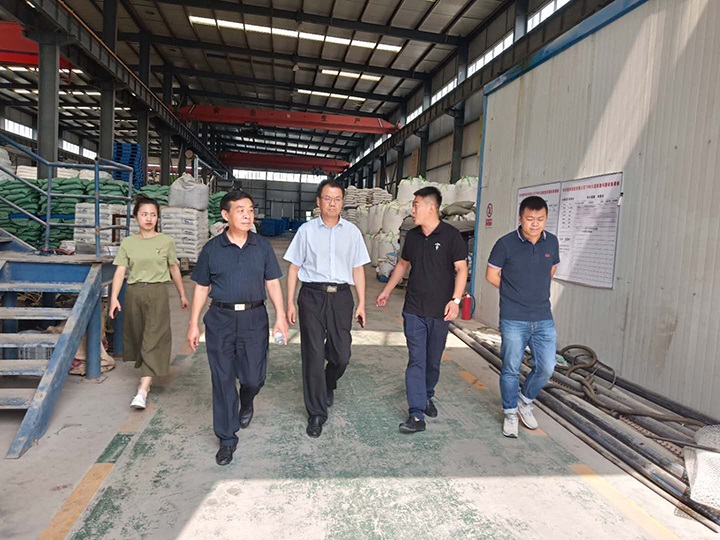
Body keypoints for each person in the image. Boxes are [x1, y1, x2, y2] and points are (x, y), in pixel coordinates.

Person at [187, 191, 288, 466]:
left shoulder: (262, 246)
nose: (247, 215)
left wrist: (280, 316)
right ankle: (227, 438)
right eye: (241, 210)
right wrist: (193, 323)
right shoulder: (212, 249)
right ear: (225, 215)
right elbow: (201, 287)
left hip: (254, 319)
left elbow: (272, 282)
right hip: (220, 319)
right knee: (222, 379)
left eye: (251, 210)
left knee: (253, 378)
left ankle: (247, 399)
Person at [376, 186, 468, 434]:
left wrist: (455, 301)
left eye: (416, 205)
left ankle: (427, 394)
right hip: (414, 309)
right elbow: (402, 264)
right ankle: (416, 413)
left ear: (431, 207)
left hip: (440, 311)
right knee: (417, 359)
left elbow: (461, 269)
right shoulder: (413, 236)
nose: (412, 209)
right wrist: (386, 290)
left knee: (432, 360)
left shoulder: (451, 236)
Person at [284, 179, 370, 438]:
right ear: (318, 201)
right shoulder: (306, 231)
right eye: (327, 198)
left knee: (341, 354)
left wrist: (362, 302)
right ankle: (316, 413)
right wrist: (289, 302)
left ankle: (328, 381)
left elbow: (358, 269)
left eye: (337, 199)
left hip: (341, 297)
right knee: (313, 353)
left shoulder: (352, 232)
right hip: (311, 296)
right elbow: (294, 268)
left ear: (342, 202)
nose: (332, 203)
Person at [486, 195, 560, 438]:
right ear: (520, 218)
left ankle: (524, 401)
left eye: (540, 219)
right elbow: (491, 274)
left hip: (543, 316)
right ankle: (510, 413)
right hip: (513, 317)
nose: (535, 224)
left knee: (547, 366)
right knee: (511, 367)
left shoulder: (552, 242)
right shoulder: (505, 244)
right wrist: (514, 292)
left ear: (546, 219)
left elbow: (551, 270)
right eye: (530, 219)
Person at [109, 195, 189, 410]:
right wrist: (114, 297)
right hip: (134, 293)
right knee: (139, 334)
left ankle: (142, 390)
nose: (149, 218)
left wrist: (182, 294)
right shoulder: (128, 243)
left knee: (154, 336)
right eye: (144, 214)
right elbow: (120, 271)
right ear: (136, 217)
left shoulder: (166, 241)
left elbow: (173, 268)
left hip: (157, 293)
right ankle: (147, 372)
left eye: (153, 215)